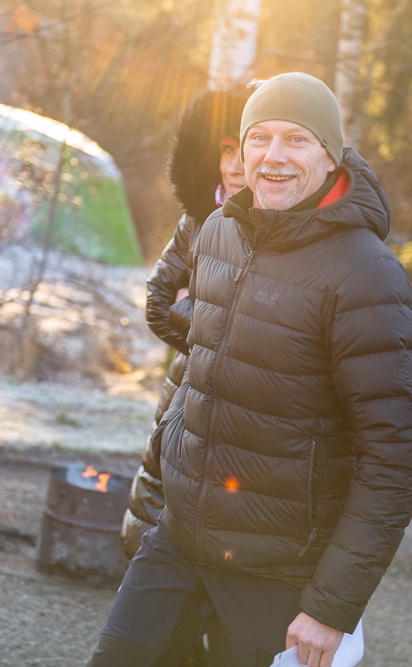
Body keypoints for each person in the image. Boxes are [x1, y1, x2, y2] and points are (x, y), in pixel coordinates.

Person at [91, 72, 412, 667]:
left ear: (330, 155)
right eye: (259, 137)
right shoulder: (219, 231)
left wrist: (332, 607)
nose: (274, 156)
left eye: (296, 139)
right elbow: (199, 373)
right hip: (179, 541)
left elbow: (394, 458)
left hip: (277, 568)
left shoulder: (366, 275)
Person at [121, 84, 254, 559]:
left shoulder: (274, 237)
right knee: (153, 510)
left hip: (243, 413)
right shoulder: (198, 218)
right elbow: (158, 305)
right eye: (226, 149)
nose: (234, 165)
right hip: (182, 388)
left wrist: (193, 307)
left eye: (245, 150)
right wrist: (196, 315)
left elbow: (261, 334)